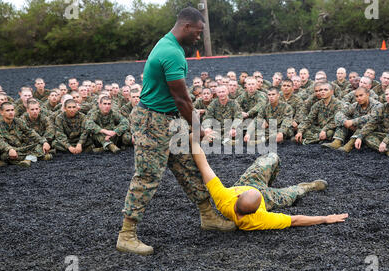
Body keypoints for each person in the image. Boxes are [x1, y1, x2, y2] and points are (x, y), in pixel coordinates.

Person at [117, 7, 236, 257]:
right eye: (198, 32)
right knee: (147, 176)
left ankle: (207, 216)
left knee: (188, 167)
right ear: (187, 27)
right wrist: (198, 129)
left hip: (170, 120)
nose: (199, 37)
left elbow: (180, 101)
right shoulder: (171, 52)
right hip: (153, 122)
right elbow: (183, 99)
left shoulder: (172, 46)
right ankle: (126, 235)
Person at [190, 135, 348, 230]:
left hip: (248, 181)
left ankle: (267, 181)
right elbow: (295, 220)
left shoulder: (223, 197)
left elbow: (204, 167)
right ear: (259, 209)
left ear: (238, 196)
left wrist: (193, 141)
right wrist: (325, 218)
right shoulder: (260, 220)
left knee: (272, 157)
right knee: (294, 193)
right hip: (268, 197)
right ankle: (308, 186)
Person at [323, 87, 381, 152]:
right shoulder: (355, 105)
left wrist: (353, 122)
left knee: (363, 125)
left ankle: (350, 145)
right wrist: (345, 122)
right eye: (356, 96)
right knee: (343, 120)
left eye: (361, 95)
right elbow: (339, 113)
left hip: (370, 130)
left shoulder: (377, 105)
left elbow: (372, 117)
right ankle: (337, 141)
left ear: (367, 94)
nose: (359, 98)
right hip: (354, 129)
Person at [0, 102, 52, 167]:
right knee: (5, 155)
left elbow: (29, 132)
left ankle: (27, 159)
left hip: (20, 148)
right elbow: (0, 141)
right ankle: (36, 157)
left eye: (12, 110)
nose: (11, 112)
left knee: (39, 145)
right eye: (8, 110)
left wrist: (44, 142)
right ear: (1, 112)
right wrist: (9, 149)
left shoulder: (18, 121)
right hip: (7, 150)